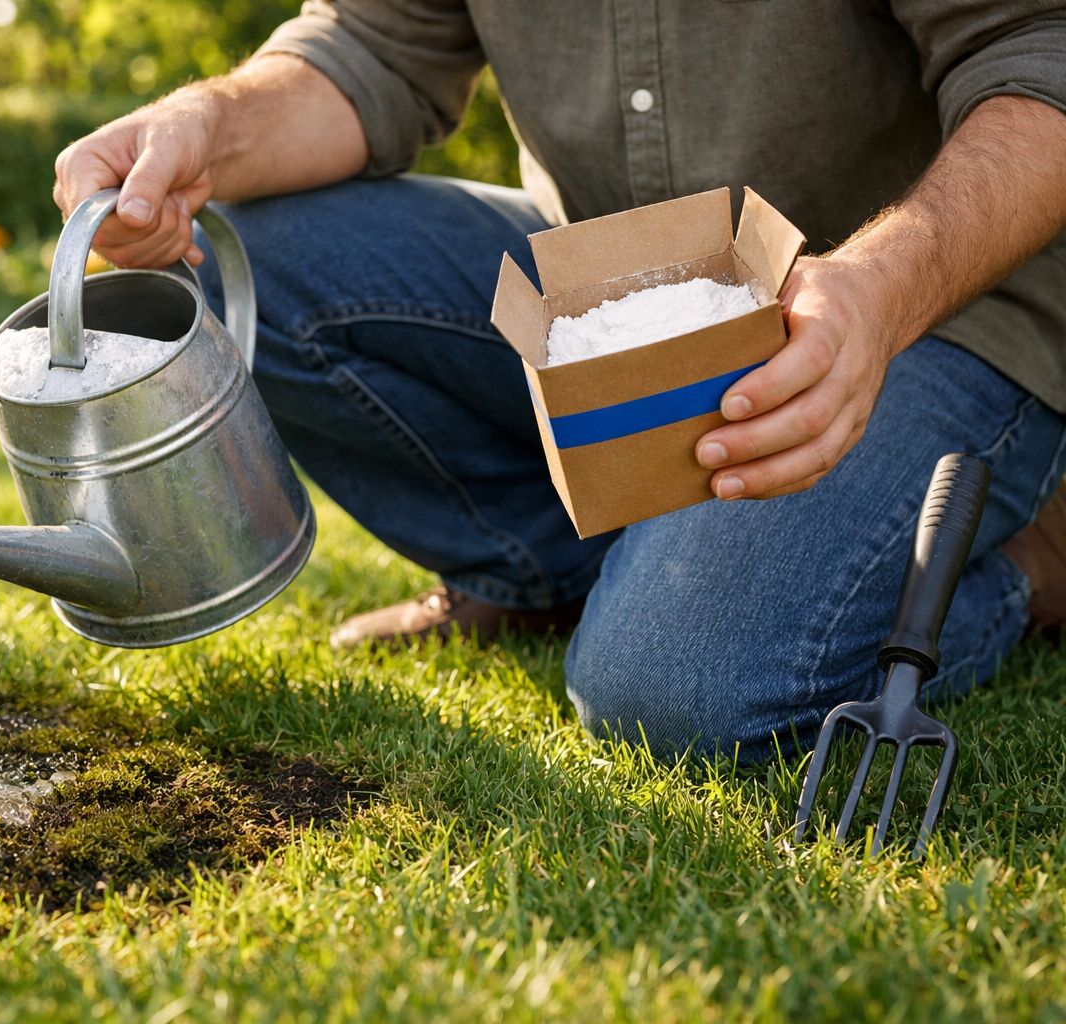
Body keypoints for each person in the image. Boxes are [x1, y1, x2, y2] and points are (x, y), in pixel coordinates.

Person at [52, 2, 1066, 760]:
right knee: (235, 275)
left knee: (667, 693)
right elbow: (369, 49)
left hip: (921, 309)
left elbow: (1041, 58)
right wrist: (199, 132)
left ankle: (1033, 564)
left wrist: (881, 291)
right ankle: (550, 576)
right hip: (613, 299)